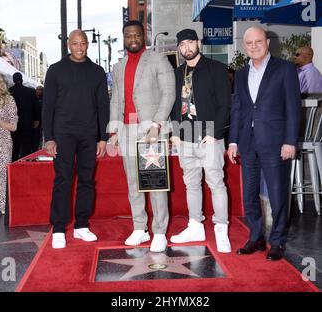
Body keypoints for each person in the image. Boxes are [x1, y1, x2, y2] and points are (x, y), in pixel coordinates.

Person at [227, 26, 301, 261]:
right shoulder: (240, 74)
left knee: (278, 194)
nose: (254, 46)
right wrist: (233, 142)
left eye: (258, 41)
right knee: (249, 195)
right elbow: (238, 108)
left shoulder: (285, 69)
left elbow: (293, 108)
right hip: (248, 144)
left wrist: (290, 141)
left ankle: (277, 241)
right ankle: (257, 237)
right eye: (249, 43)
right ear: (244, 46)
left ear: (267, 42)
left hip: (276, 142)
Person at [108, 20, 175, 252]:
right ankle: (139, 228)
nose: (133, 39)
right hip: (126, 129)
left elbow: (169, 93)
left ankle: (159, 231)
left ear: (143, 36)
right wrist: (114, 130)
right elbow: (116, 99)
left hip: (151, 129)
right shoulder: (118, 67)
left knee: (154, 182)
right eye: (128, 35)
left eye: (136, 35)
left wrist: (157, 124)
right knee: (133, 183)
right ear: (124, 38)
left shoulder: (157, 59)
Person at [42, 29, 110, 249]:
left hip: (89, 135)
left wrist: (103, 138)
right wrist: (49, 137)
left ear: (87, 44)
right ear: (68, 45)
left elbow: (103, 106)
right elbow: (48, 107)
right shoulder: (55, 71)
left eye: (83, 43)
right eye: (75, 43)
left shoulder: (97, 72)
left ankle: (81, 225)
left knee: (87, 180)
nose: (79, 47)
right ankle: (59, 228)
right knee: (63, 180)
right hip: (63, 134)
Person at [169, 29, 232, 253]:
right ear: (178, 48)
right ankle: (195, 225)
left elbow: (225, 104)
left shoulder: (216, 69)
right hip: (185, 136)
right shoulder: (176, 73)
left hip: (209, 136)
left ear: (198, 43)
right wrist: (174, 133)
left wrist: (214, 132)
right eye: (182, 44)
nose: (187, 48)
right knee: (191, 184)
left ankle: (221, 228)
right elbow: (174, 107)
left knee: (216, 182)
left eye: (190, 42)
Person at [9, 72, 39, 161]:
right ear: (22, 80)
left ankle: (14, 164)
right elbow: (36, 106)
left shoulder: (9, 91)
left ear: (13, 80)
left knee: (15, 146)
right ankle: (26, 163)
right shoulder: (31, 91)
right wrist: (36, 119)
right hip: (28, 122)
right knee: (26, 146)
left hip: (13, 123)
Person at [0, 74, 18, 215]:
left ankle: (3, 204)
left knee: (3, 173)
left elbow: (13, 126)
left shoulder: (9, 100)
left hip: (3, 141)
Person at [31, 85, 44, 151]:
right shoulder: (33, 98)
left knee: (38, 136)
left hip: (41, 121)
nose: (38, 91)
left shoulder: (44, 100)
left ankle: (37, 148)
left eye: (40, 90)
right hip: (35, 120)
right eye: (37, 90)